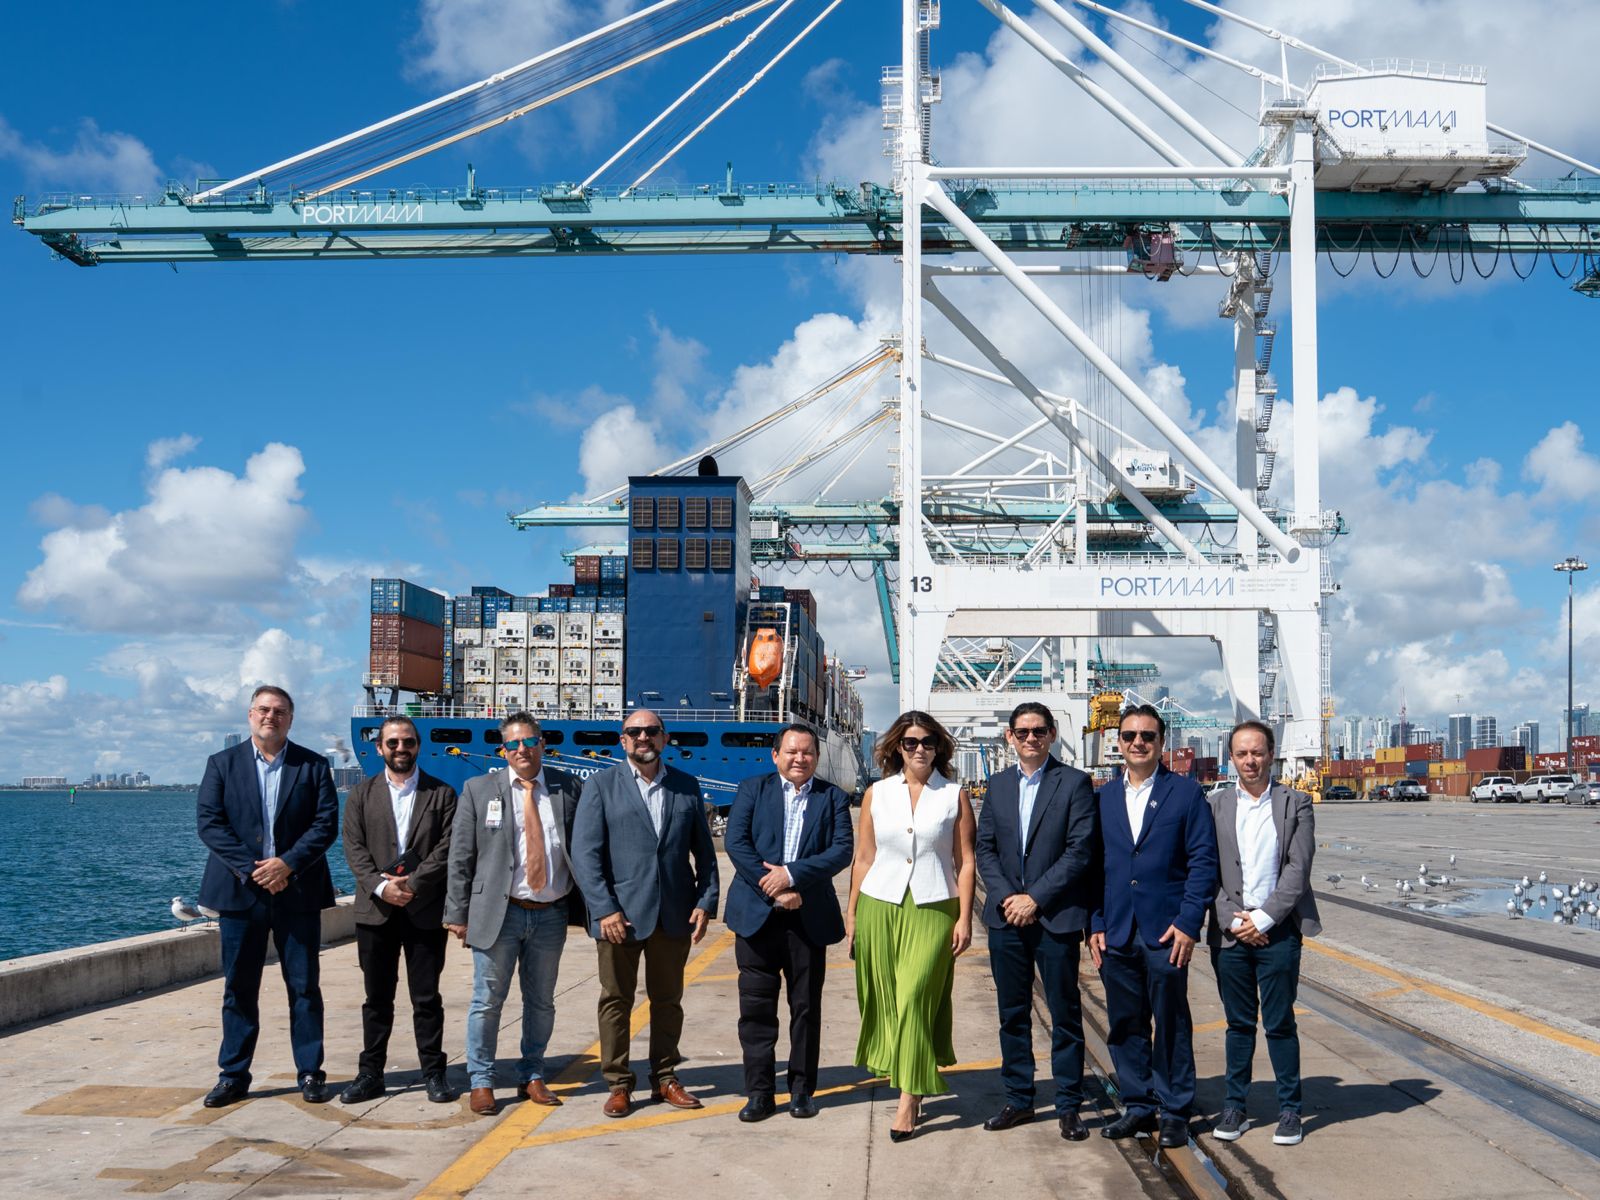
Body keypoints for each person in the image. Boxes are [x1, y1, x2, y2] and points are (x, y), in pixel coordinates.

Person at [570, 710, 720, 1118]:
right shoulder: (601, 786)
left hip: (673, 915)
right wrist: (604, 910)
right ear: (622, 741)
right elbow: (585, 856)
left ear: (664, 738)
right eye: (634, 732)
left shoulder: (686, 787)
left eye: (651, 731)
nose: (643, 737)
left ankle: (665, 1078)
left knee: (668, 1001)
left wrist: (705, 902)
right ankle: (618, 1083)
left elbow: (704, 854)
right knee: (616, 1001)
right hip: (619, 918)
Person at [196, 684, 339, 1107]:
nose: (270, 717)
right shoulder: (221, 764)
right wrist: (255, 869)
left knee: (304, 987)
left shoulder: (313, 765)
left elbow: (325, 824)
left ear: (290, 719)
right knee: (239, 988)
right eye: (263, 709)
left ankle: (310, 1072)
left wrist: (287, 864)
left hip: (297, 892)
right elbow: (210, 823)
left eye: (279, 711)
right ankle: (233, 1075)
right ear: (249, 715)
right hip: (241, 894)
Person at [443, 712, 586, 1116]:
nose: (521, 749)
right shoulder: (477, 789)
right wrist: (457, 912)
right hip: (498, 913)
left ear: (542, 744)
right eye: (513, 744)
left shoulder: (567, 787)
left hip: (551, 913)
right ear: (502, 749)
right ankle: (482, 1080)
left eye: (529, 741)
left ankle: (532, 1073)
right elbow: (461, 856)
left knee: (541, 1001)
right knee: (487, 1001)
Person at [1089, 704, 1218, 1149]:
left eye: (1147, 735)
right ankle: (1138, 1106)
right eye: (1129, 736)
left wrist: (1188, 923)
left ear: (1161, 742)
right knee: (1124, 1023)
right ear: (1117, 743)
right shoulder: (1102, 797)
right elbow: (1094, 868)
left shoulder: (1185, 795)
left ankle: (1176, 1109)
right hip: (1117, 930)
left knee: (1171, 1021)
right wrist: (1095, 922)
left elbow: (1203, 861)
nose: (1137, 742)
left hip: (1167, 933)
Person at [848, 710, 976, 1143]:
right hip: (879, 905)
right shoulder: (877, 794)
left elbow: (965, 861)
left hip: (934, 907)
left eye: (926, 742)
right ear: (896, 748)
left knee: (915, 996)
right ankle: (910, 1079)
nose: (919, 749)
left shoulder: (953, 795)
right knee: (886, 1001)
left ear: (939, 747)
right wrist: (852, 914)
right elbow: (863, 858)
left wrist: (964, 917)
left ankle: (909, 1096)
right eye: (909, 742)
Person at [975, 702, 1099, 1142]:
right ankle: (1019, 1099)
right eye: (1023, 731)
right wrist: (1010, 897)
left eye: (1039, 731)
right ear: (1010, 737)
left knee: (1065, 1014)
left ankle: (1068, 1105)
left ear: (1051, 735)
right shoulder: (998, 785)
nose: (1031, 738)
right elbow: (985, 849)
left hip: (1055, 918)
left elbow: (1080, 851)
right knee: (1013, 1014)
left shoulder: (1074, 784)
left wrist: (1036, 898)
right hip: (1007, 918)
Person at [724, 723, 854, 1123]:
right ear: (775, 755)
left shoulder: (832, 797)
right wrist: (775, 889)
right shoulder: (752, 789)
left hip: (807, 918)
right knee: (756, 1012)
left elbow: (841, 851)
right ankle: (759, 1093)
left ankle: (801, 1091)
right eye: (792, 752)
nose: (800, 759)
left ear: (817, 756)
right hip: (756, 919)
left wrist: (793, 876)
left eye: (808, 752)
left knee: (806, 1009)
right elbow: (736, 843)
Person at [1206, 720, 1321, 1148]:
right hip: (1231, 934)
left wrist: (1266, 919)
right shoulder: (1214, 805)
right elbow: (1207, 870)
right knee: (1238, 1025)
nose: (1250, 761)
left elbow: (1298, 868)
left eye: (1257, 752)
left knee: (1279, 1023)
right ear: (1231, 758)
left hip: (1279, 932)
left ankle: (1290, 1110)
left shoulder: (1298, 803)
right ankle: (1235, 1105)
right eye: (1241, 753)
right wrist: (1234, 921)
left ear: (1271, 754)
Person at [340, 715, 459, 1105]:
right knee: (376, 998)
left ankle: (434, 1073)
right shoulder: (360, 795)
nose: (400, 749)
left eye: (407, 742)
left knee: (426, 998)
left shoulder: (441, 794)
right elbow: (354, 849)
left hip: (423, 911)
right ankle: (370, 1072)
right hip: (375, 912)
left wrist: (413, 885)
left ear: (417, 745)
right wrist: (381, 886)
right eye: (392, 743)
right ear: (380, 748)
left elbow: (448, 847)